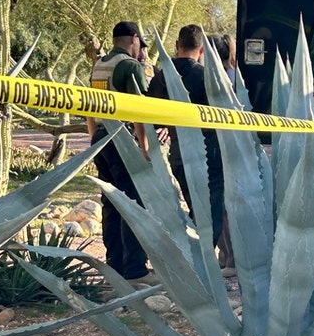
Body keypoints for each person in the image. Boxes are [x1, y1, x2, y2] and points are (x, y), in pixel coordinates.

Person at [87, 21, 155, 285]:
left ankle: (114, 265)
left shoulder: (99, 65)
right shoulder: (130, 67)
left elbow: (90, 107)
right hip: (122, 140)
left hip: (100, 139)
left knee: (111, 204)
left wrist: (92, 137)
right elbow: (139, 111)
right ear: (134, 39)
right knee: (131, 202)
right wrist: (144, 147)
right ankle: (135, 269)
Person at [147, 25, 225, 255]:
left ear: (176, 46)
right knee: (211, 213)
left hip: (178, 155)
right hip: (208, 155)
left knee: (194, 209)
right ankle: (202, 261)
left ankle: (191, 257)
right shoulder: (206, 77)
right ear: (202, 50)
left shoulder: (160, 78)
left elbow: (149, 117)